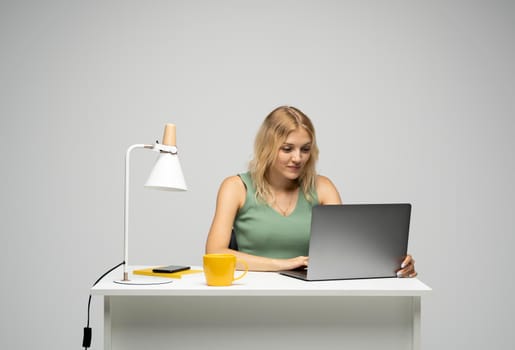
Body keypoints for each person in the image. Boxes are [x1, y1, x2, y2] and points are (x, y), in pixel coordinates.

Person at [205, 106, 417, 277]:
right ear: (267, 148)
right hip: (252, 290)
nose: (297, 158)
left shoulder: (323, 188)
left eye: (305, 149)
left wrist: (392, 262)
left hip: (310, 293)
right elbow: (215, 252)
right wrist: (283, 264)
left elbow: (346, 252)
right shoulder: (235, 187)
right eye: (287, 149)